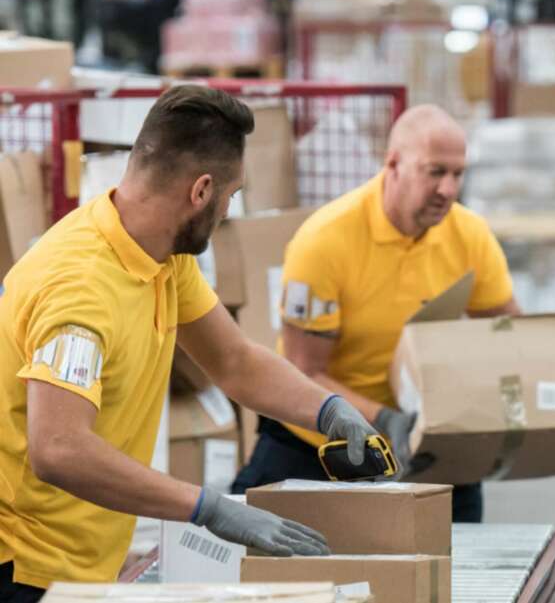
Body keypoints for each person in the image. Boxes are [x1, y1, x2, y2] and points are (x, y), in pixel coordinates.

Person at [0, 85, 378, 602]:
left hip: (77, 562)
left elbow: (235, 361)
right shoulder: (80, 288)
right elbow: (58, 448)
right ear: (201, 191)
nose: (227, 209)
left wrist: (330, 411)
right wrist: (208, 508)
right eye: (231, 194)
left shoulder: (159, 254)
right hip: (22, 568)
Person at [232, 104, 520, 522]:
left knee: (460, 567)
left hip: (422, 442)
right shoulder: (326, 241)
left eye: (458, 174)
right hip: (320, 442)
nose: (448, 189)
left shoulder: (469, 235)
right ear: (394, 164)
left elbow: (509, 332)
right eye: (435, 172)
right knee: (252, 548)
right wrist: (384, 420)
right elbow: (303, 372)